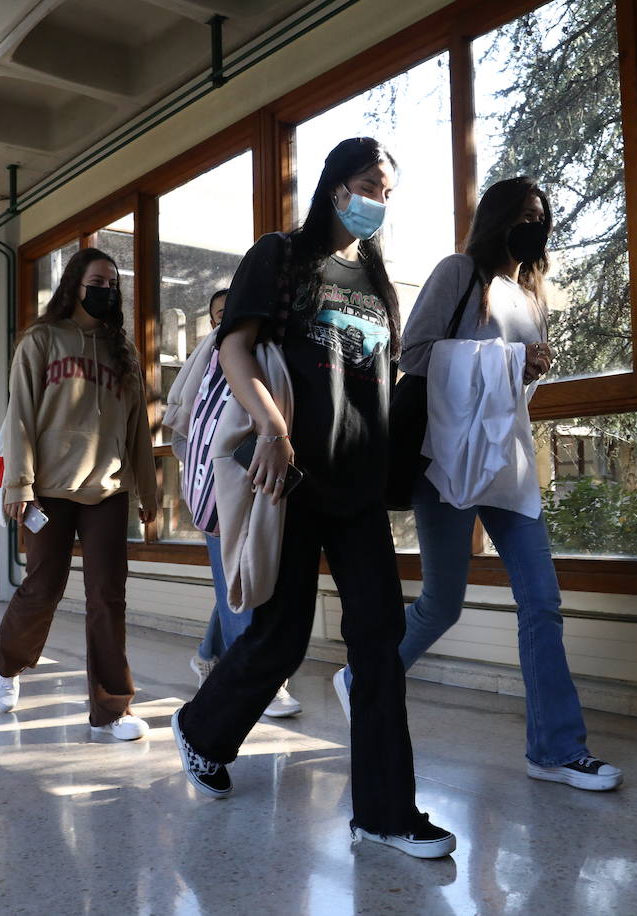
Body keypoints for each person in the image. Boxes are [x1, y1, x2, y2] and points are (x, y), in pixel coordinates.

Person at [171, 137, 457, 860]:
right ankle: (203, 729)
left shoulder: (378, 284)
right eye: (369, 185)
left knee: (380, 644)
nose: (378, 202)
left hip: (358, 487)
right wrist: (270, 427)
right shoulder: (282, 256)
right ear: (335, 185)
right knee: (281, 636)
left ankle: (385, 814)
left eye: (387, 192)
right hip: (290, 478)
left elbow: (381, 387)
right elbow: (237, 347)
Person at [337, 176, 624, 793]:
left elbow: (509, 392)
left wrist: (526, 368)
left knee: (542, 599)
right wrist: (503, 360)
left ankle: (555, 749)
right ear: (497, 219)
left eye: (541, 217)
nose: (534, 226)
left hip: (506, 464)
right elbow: (413, 354)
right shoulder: (457, 272)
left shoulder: (527, 296)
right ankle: (366, 679)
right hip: (445, 460)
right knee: (443, 603)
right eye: (524, 215)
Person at [0, 247, 160, 743]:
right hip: (48, 489)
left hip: (106, 489)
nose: (107, 289)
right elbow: (19, 414)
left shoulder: (121, 351)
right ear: (74, 285)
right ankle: (6, 661)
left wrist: (147, 489)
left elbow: (138, 432)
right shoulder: (42, 340)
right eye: (98, 280)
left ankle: (112, 710)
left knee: (108, 596)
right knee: (44, 586)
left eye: (113, 282)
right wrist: (19, 482)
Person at [189, 288, 301, 719]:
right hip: (223, 484)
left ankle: (206, 656)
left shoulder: (273, 349)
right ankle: (262, 685)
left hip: (262, 479)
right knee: (238, 576)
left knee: (236, 577)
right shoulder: (217, 358)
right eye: (218, 315)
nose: (224, 322)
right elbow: (193, 421)